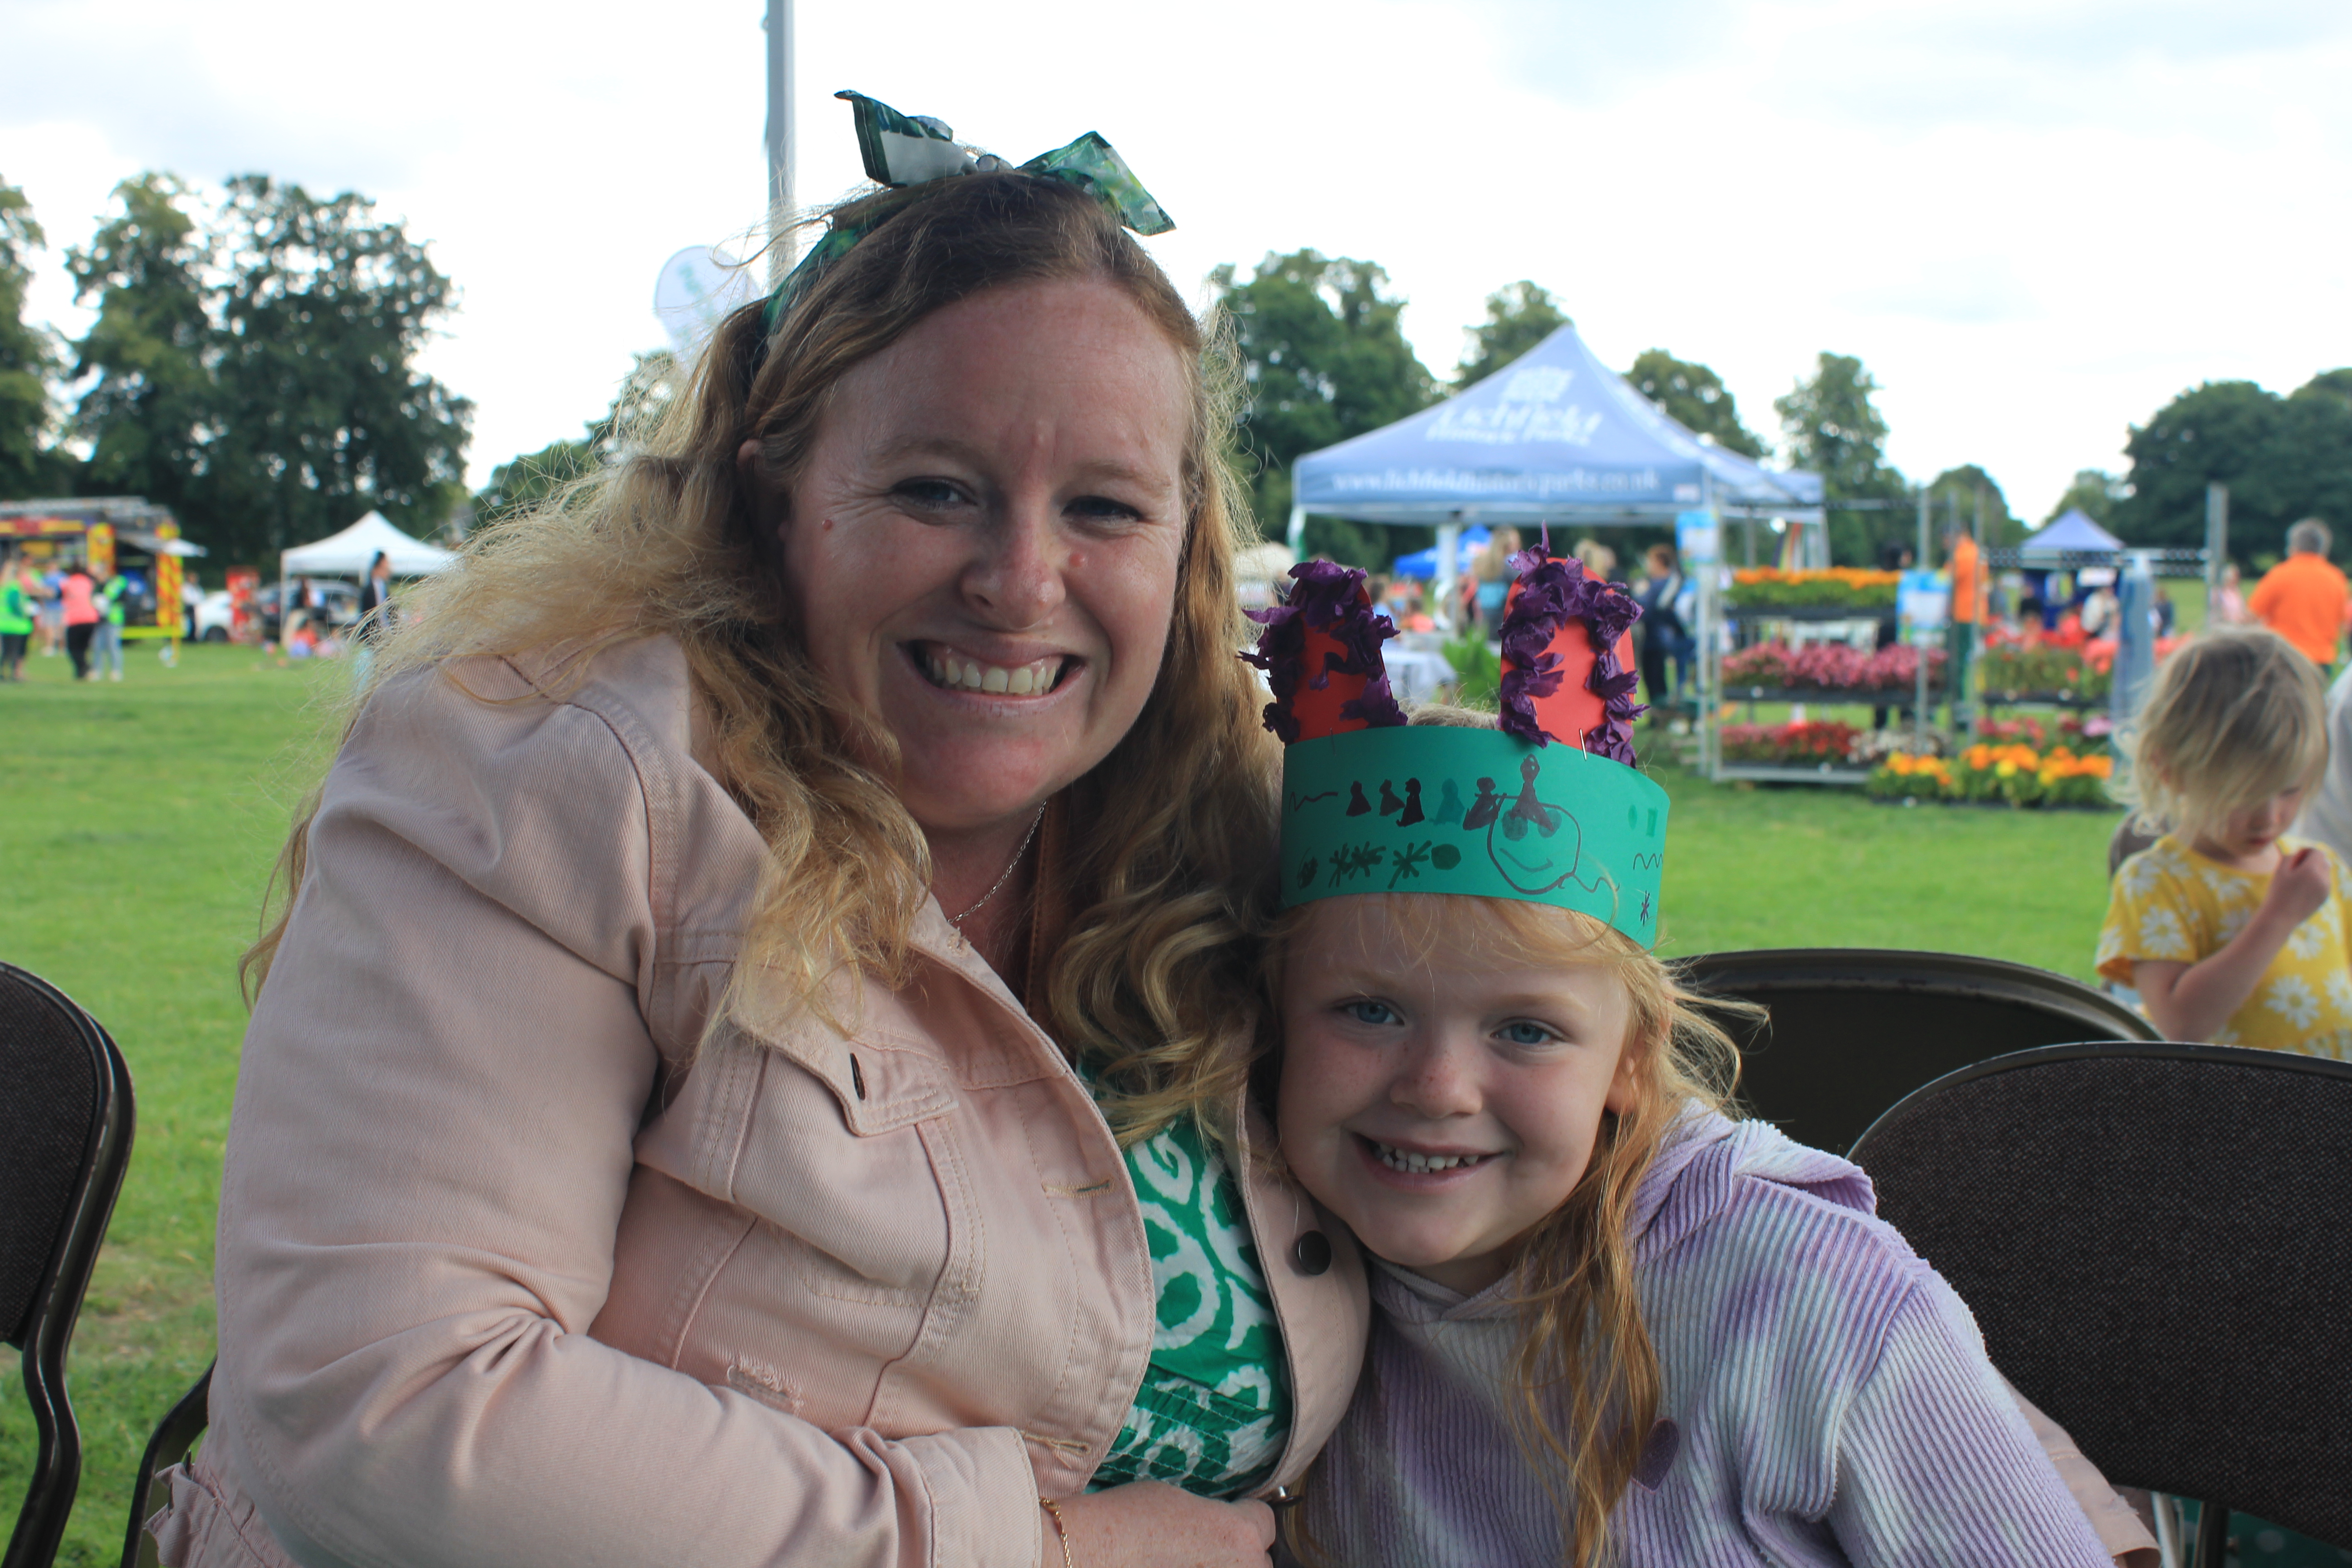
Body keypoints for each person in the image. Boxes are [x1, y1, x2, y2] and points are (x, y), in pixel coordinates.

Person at [148, 98, 1362, 1568]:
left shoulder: (1225, 829)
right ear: (766, 491)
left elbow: (1520, 1082)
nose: (1020, 578)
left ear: (1182, 557)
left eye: (1103, 506)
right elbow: (385, 1408)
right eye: (935, 487)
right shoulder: (553, 773)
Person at [1245, 556, 2150, 1566]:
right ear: (1276, 1020)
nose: (1438, 1088)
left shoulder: (1808, 1301)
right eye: (1369, 1011)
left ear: (1631, 1060)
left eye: (1526, 1030)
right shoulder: (1259, 1283)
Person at [2098, 628, 2352, 1058]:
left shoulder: (2319, 868)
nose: (2270, 817)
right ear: (2169, 768)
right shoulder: (2156, 883)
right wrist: (2280, 915)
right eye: (2244, 796)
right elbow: (2183, 1024)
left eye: (2289, 790)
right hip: (2235, 1116)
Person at [2248, 518, 2348, 669]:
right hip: (2321, 659)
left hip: (2286, 656)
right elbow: (2343, 619)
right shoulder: (2337, 578)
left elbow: (2253, 615)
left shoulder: (2280, 574)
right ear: (2324, 548)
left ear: (2293, 546)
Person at [1634, 542, 1686, 711]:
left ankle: (1661, 715)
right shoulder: (1667, 582)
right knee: (1654, 678)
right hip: (1657, 637)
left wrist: (1640, 595)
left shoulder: (1660, 584)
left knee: (1655, 678)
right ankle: (1658, 714)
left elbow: (1646, 610)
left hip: (1657, 638)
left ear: (1659, 562)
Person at [1945, 521, 1984, 730]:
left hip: (1963, 614)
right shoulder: (1976, 552)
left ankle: (1960, 716)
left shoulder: (1964, 554)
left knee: (1957, 667)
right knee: (1963, 666)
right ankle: (1961, 713)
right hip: (1973, 614)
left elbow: (1946, 578)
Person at [353, 550, 396, 687]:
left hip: (383, 641)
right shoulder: (373, 587)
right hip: (375, 642)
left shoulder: (382, 587)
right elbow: (376, 615)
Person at [58, 562, 100, 681]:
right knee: (83, 647)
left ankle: (85, 668)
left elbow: (60, 595)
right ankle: (81, 673)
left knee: (73, 648)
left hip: (75, 619)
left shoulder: (67, 582)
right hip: (91, 618)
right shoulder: (88, 582)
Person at [0, 556, 34, 681]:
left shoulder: (4, 588)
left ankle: (3, 673)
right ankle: (16, 674)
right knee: (17, 652)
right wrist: (26, 614)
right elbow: (16, 606)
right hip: (18, 626)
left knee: (6, 652)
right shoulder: (15, 588)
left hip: (4, 624)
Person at [94, 569, 128, 681]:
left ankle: (116, 671)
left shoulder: (114, 585)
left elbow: (122, 599)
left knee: (113, 646)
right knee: (97, 646)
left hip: (113, 619)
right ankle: (97, 671)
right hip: (99, 620)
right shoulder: (97, 586)